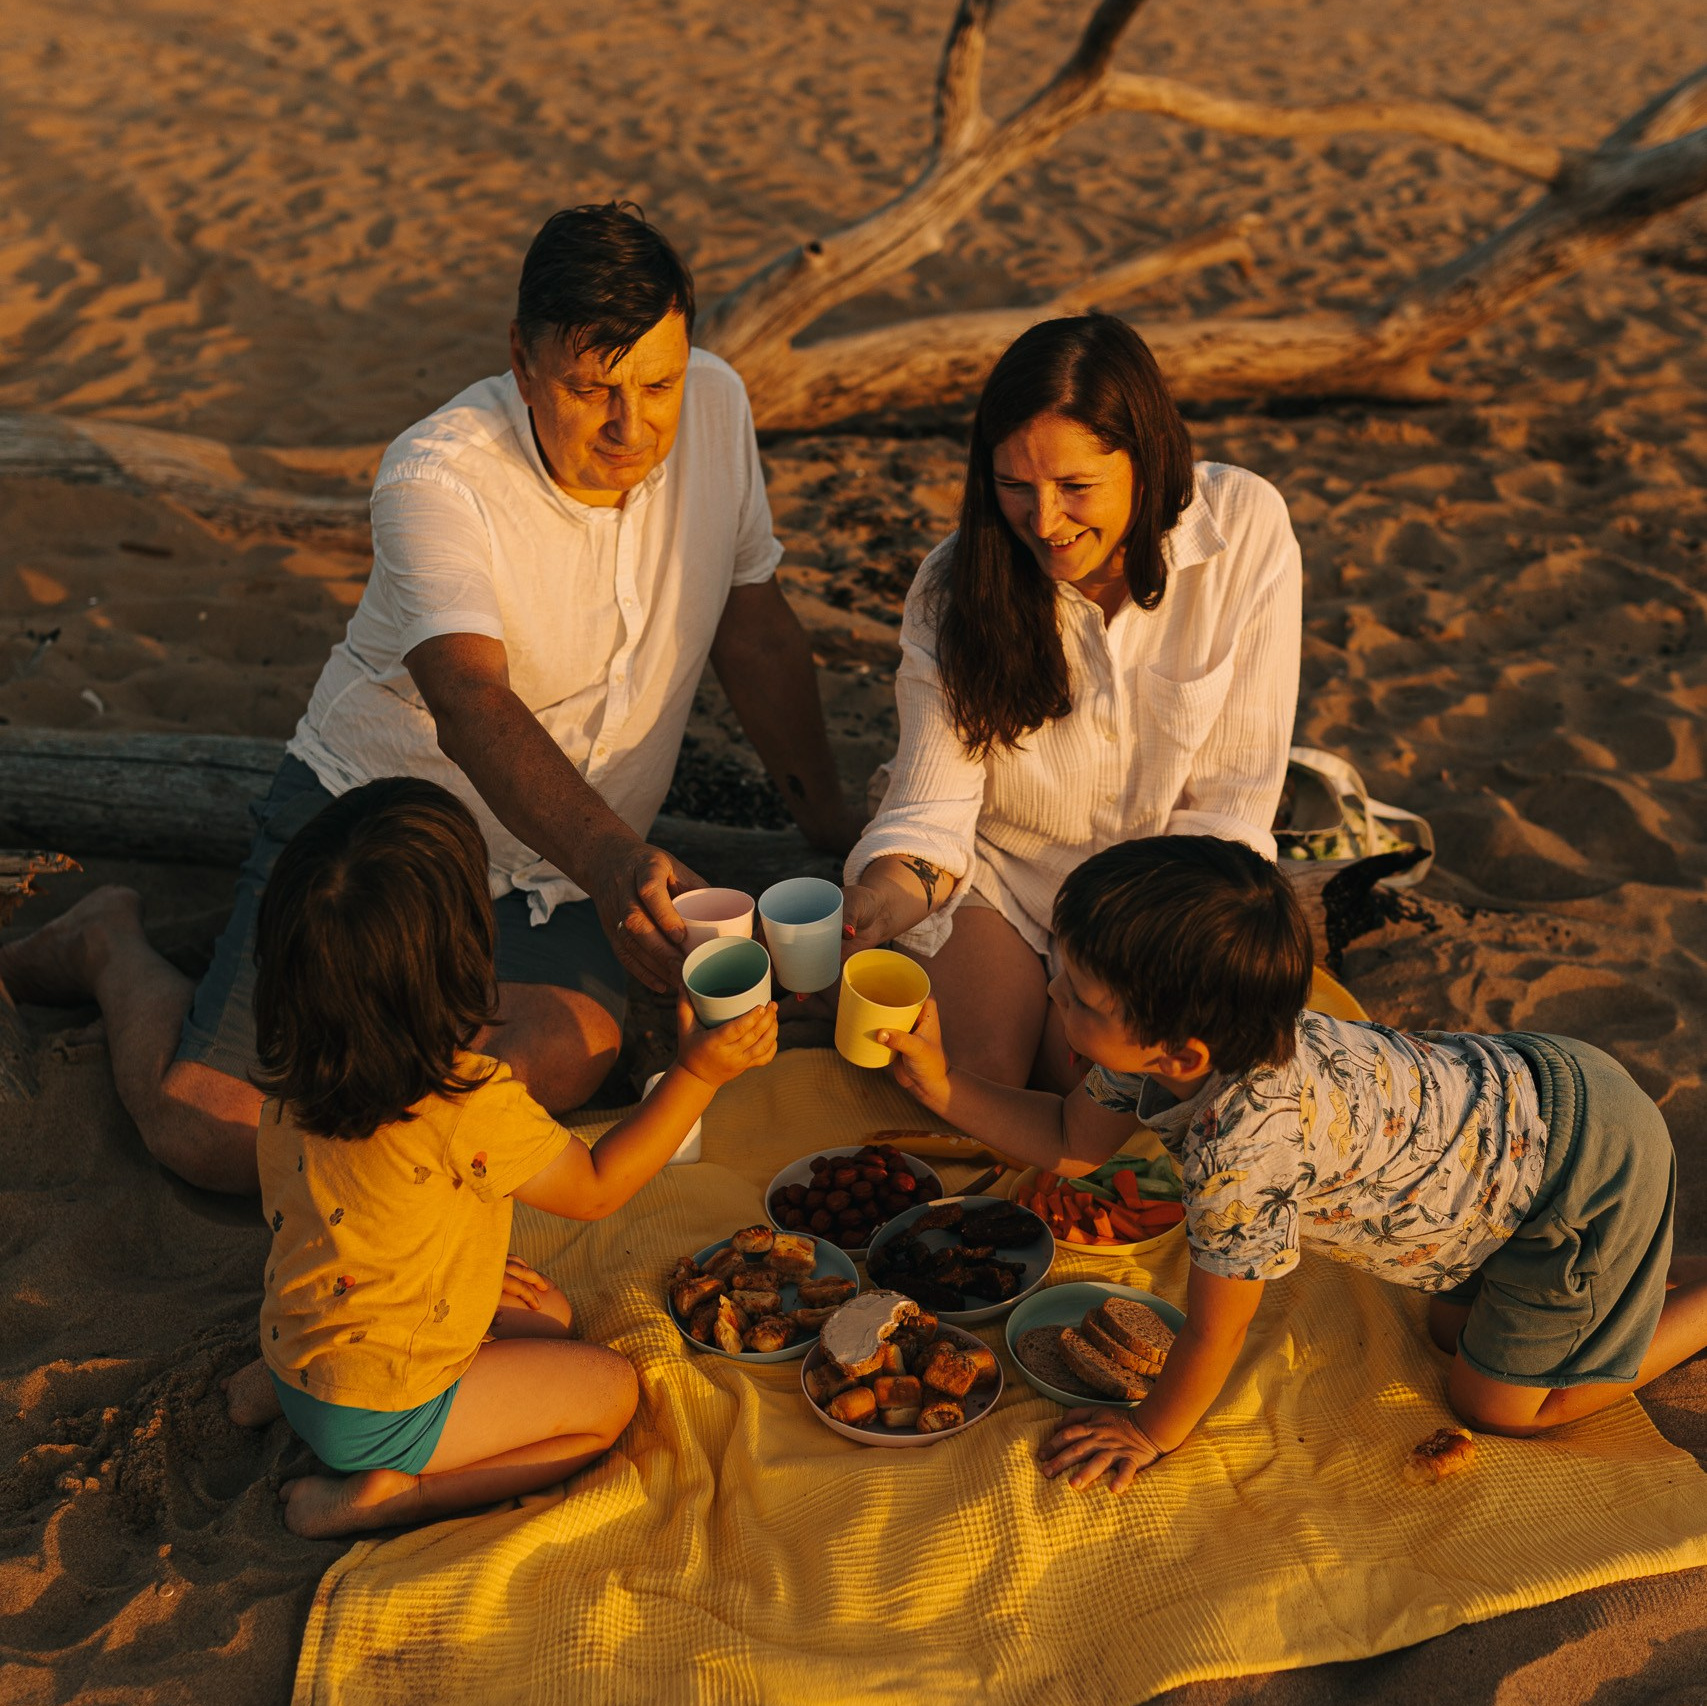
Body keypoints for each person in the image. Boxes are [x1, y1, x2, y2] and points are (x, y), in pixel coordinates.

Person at [0, 202, 852, 1193]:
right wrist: (617, 861)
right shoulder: (436, 473)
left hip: (554, 865)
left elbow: (755, 627)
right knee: (216, 1134)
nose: (633, 425)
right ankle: (111, 943)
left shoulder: (716, 403)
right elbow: (469, 700)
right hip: (376, 833)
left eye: (657, 382)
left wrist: (826, 818)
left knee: (570, 1055)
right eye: (591, 388)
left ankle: (363, 1015)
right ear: (522, 361)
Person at [880, 835, 1706, 1493]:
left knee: (1491, 1404)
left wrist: (1149, 1429)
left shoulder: (1238, 1149)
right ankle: (1634, 1275)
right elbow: (1071, 1136)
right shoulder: (1183, 1036)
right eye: (1057, 968)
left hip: (1578, 1174)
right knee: (1448, 1331)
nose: (1052, 993)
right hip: (1518, 1113)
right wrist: (946, 1088)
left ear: (1179, 1050)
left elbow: (1215, 1327)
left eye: (1077, 995)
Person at [223, 777, 777, 1539]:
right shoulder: (461, 1101)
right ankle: (394, 1496)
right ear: (461, 954)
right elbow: (596, 1187)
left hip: (297, 1350)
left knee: (545, 1313)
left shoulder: (296, 1073)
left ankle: (274, 1399)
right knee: (609, 1397)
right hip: (388, 1405)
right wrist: (697, 1073)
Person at [840, 314, 1301, 1093]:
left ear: (1148, 459)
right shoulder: (954, 587)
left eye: (1075, 487)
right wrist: (879, 902)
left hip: (1159, 907)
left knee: (1113, 1105)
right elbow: (932, 812)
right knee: (979, 1084)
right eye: (1014, 487)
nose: (1045, 523)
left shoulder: (1244, 528)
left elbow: (1228, 808)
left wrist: (1123, 964)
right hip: (1004, 880)